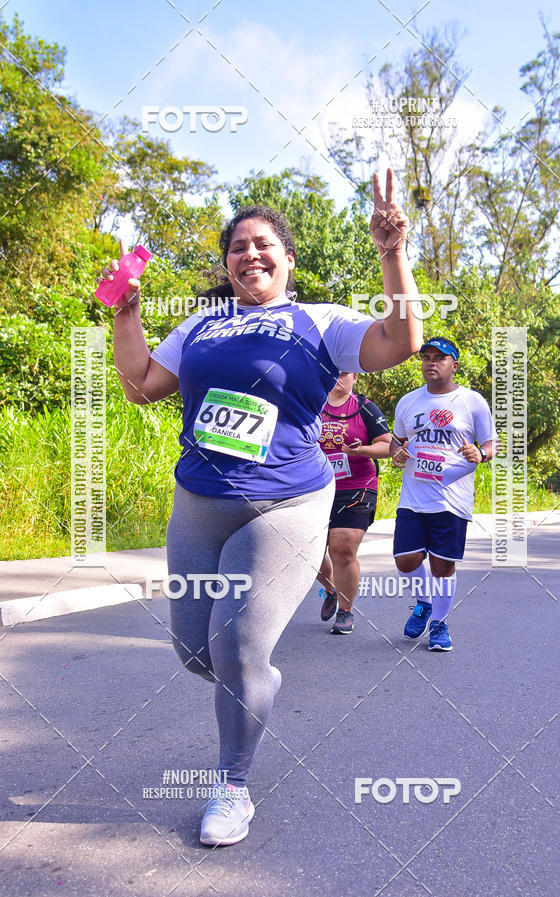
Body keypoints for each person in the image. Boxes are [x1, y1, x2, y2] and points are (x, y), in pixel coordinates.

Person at [99, 168, 422, 847]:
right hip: (200, 501)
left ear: (288, 258)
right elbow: (142, 385)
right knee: (195, 651)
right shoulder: (202, 326)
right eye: (237, 246)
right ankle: (253, 676)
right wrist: (125, 316)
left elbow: (399, 344)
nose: (249, 253)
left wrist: (393, 255)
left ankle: (232, 784)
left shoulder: (321, 322)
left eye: (263, 243)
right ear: (226, 263)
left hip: (287, 503)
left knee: (237, 642)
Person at [389, 336, 497, 651]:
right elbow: (397, 440)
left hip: (452, 499)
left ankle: (439, 623)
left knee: (442, 565)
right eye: (426, 357)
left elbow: (492, 443)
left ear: (454, 365)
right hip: (413, 495)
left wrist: (481, 453)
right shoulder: (408, 401)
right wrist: (396, 451)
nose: (431, 363)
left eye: (439, 358)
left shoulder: (472, 401)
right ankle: (424, 602)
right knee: (406, 560)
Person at [316, 371, 391, 634]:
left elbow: (387, 446)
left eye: (344, 373)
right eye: (333, 372)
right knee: (308, 552)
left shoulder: (365, 408)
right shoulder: (310, 402)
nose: (338, 378)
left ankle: (345, 612)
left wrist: (363, 450)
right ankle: (331, 588)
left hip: (357, 485)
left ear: (355, 377)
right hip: (314, 487)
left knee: (342, 547)